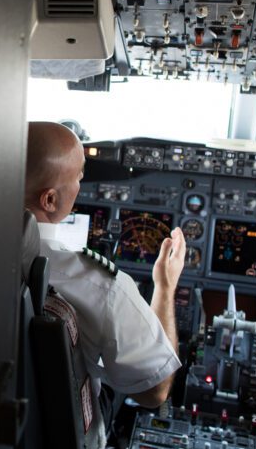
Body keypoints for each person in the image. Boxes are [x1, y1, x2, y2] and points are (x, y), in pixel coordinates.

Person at [24, 121, 185, 423]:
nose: (81, 185)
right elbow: (155, 390)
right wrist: (164, 287)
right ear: (50, 200)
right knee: (120, 377)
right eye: (79, 177)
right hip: (59, 439)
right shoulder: (104, 286)